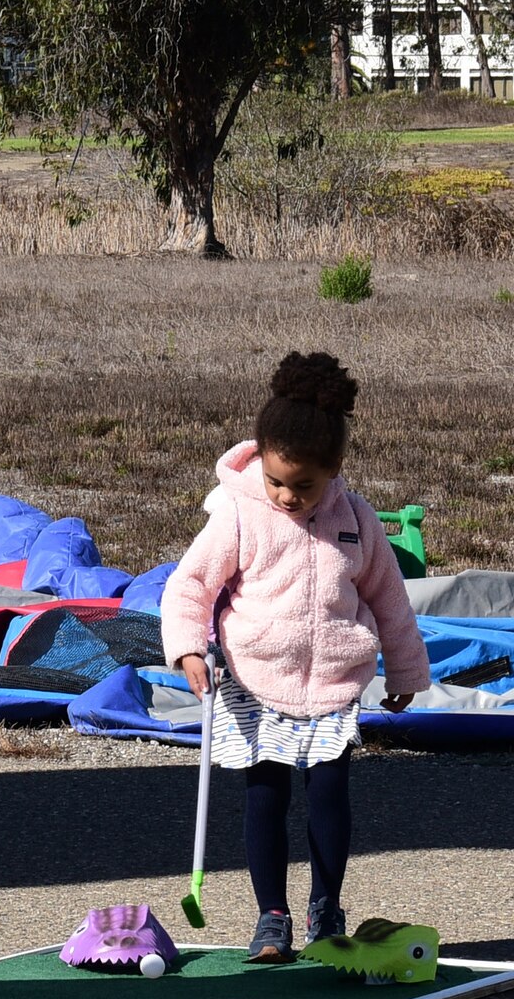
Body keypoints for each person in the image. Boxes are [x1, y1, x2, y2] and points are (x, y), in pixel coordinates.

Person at [159, 352, 430, 964]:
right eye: (277, 480)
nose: (286, 495)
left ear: (335, 471)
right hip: (255, 679)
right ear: (261, 458)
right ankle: (271, 916)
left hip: (334, 679)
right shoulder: (236, 513)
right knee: (266, 794)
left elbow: (389, 599)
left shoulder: (357, 521)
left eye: (304, 485)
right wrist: (186, 648)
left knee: (330, 792)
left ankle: (326, 907)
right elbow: (190, 586)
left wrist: (406, 670)